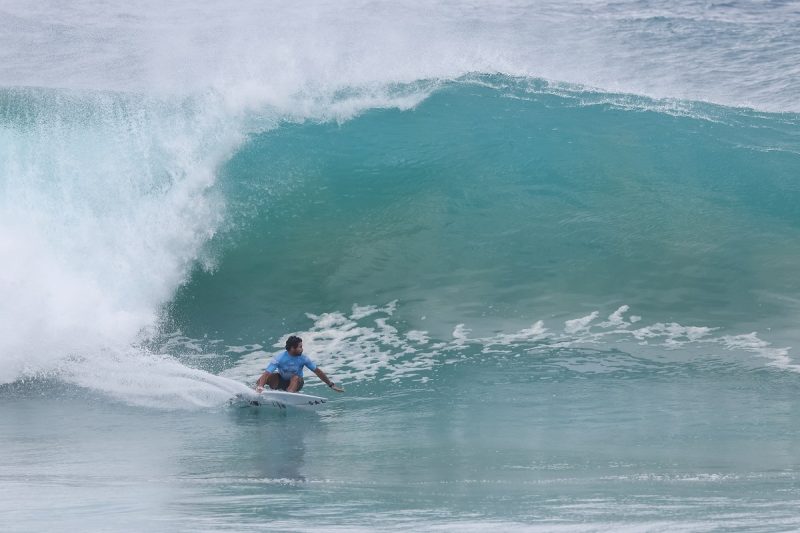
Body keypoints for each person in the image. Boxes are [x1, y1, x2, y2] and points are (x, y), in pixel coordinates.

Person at [255, 336, 344, 393]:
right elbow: (266, 373)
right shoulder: (279, 358)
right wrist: (260, 387)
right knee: (264, 378)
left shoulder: (303, 359)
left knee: (296, 377)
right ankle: (255, 393)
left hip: (297, 383)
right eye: (300, 347)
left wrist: (331, 385)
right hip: (281, 381)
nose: (302, 349)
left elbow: (318, 372)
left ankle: (289, 395)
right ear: (292, 348)